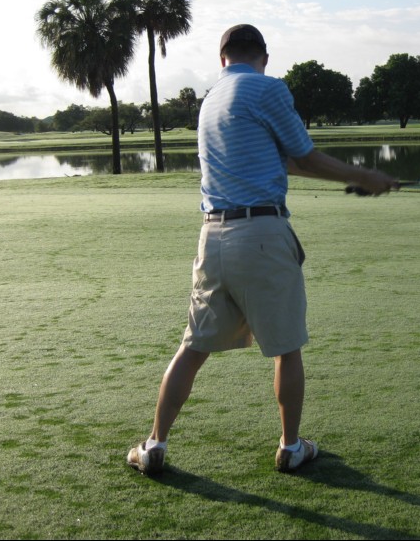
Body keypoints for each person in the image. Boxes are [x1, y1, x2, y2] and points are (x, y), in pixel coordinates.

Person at [127, 24, 397, 475]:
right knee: (287, 348)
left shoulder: (211, 101)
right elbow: (305, 157)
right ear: (264, 56)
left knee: (192, 348)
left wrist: (354, 177)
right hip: (262, 235)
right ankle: (291, 448)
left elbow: (285, 162)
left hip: (212, 237)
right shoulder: (269, 89)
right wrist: (363, 176)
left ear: (222, 58)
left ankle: (154, 444)